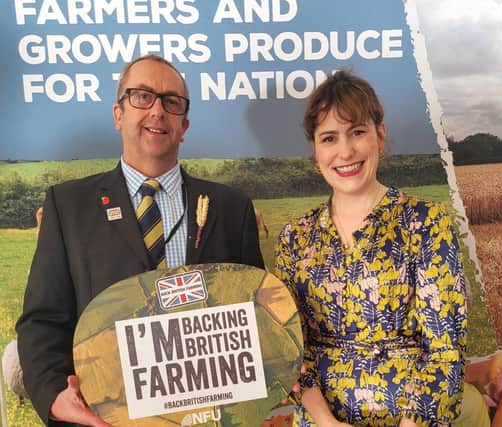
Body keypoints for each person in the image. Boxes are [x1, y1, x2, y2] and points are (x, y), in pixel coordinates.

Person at [16, 54, 264, 427]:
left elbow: (258, 316)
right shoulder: (68, 206)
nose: (158, 111)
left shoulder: (232, 207)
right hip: (106, 416)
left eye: (171, 102)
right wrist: (54, 395)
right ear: (119, 114)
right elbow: (42, 321)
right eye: (142, 97)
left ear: (184, 125)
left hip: (212, 416)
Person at [274, 71, 467, 427]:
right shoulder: (294, 237)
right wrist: (325, 422)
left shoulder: (426, 223)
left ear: (380, 134)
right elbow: (289, 353)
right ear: (315, 150)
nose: (345, 151)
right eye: (329, 138)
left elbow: (445, 350)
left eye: (357, 132)